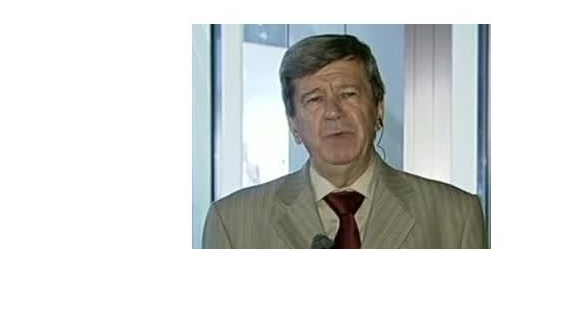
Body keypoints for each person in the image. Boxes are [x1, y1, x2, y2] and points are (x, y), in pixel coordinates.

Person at [202, 34, 485, 248]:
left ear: (378, 108)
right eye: (315, 99)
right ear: (293, 124)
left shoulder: (455, 216)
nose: (333, 112)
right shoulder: (232, 223)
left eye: (349, 94)